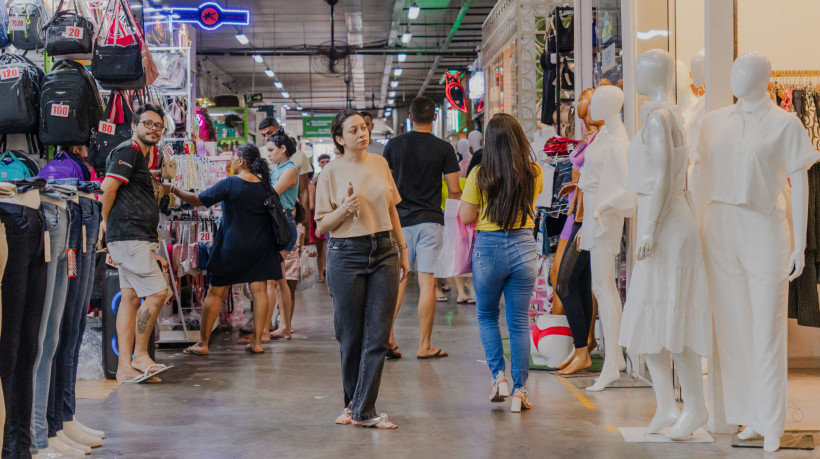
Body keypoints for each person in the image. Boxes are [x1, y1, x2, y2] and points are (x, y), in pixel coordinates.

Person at [316, 109, 408, 429]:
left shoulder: (380, 163)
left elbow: (391, 209)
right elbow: (320, 226)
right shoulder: (330, 173)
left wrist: (402, 248)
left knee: (378, 335)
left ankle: (364, 410)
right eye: (353, 130)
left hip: (384, 251)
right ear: (340, 139)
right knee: (350, 335)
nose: (361, 133)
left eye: (364, 128)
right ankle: (353, 404)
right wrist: (344, 208)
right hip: (345, 253)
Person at [459, 113, 543, 412]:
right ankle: (520, 390)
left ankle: (499, 378)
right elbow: (532, 205)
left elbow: (467, 217)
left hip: (489, 249)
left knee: (486, 316)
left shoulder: (480, 174)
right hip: (523, 245)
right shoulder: (533, 171)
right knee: (519, 322)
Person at [165, 144, 279, 354]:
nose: (231, 162)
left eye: (234, 157)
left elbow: (198, 200)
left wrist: (172, 189)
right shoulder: (265, 186)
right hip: (261, 246)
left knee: (216, 292)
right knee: (260, 291)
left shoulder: (230, 183)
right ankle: (257, 342)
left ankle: (203, 343)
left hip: (232, 245)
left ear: (241, 161)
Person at [383, 96, 461, 359]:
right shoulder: (444, 148)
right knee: (428, 282)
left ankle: (388, 337)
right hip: (430, 221)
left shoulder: (393, 145)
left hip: (399, 223)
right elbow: (454, 190)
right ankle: (424, 345)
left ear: (410, 118)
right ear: (435, 117)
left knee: (399, 281)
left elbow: (386, 186)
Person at [100, 104, 171, 383]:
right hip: (130, 237)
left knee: (130, 299)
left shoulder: (143, 156)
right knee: (157, 293)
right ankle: (140, 356)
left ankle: (124, 368)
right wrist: (104, 225)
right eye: (147, 123)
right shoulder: (128, 151)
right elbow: (107, 188)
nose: (153, 128)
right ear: (134, 126)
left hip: (136, 237)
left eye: (158, 125)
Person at [265, 129, 299, 340]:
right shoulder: (277, 169)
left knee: (272, 280)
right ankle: (284, 326)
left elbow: (271, 193)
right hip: (276, 223)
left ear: (283, 149)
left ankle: (264, 331)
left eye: (271, 150)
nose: (268, 154)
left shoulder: (290, 170)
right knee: (279, 280)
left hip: (283, 224)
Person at [309, 154, 332, 283]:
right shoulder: (316, 181)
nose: (325, 163)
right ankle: (321, 274)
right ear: (319, 164)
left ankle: (327, 271)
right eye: (322, 161)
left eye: (327, 161)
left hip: (331, 216)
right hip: (318, 217)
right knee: (320, 248)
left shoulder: (334, 177)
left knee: (330, 247)